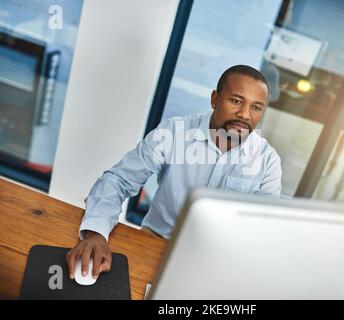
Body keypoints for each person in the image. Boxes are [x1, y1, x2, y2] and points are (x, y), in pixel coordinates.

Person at [66, 64, 282, 280]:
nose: (245, 114)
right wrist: (96, 234)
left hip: (216, 263)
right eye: (236, 101)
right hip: (154, 244)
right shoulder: (174, 133)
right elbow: (119, 180)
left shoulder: (268, 161)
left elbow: (262, 230)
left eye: (256, 107)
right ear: (215, 99)